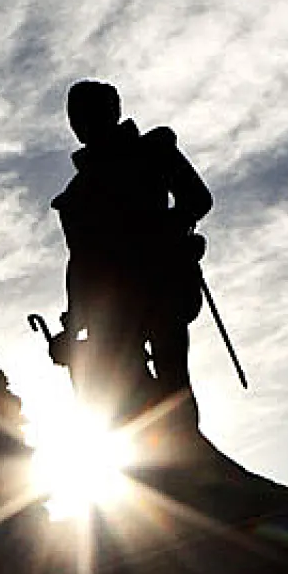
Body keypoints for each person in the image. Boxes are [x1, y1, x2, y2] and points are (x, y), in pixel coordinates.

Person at [50, 80, 212, 427]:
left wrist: (168, 232)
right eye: (74, 116)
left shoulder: (153, 151)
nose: (79, 123)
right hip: (111, 307)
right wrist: (74, 326)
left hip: (160, 282)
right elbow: (79, 263)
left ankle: (187, 445)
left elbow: (197, 199)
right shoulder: (76, 196)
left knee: (172, 379)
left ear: (112, 112)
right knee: (121, 392)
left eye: (87, 112)